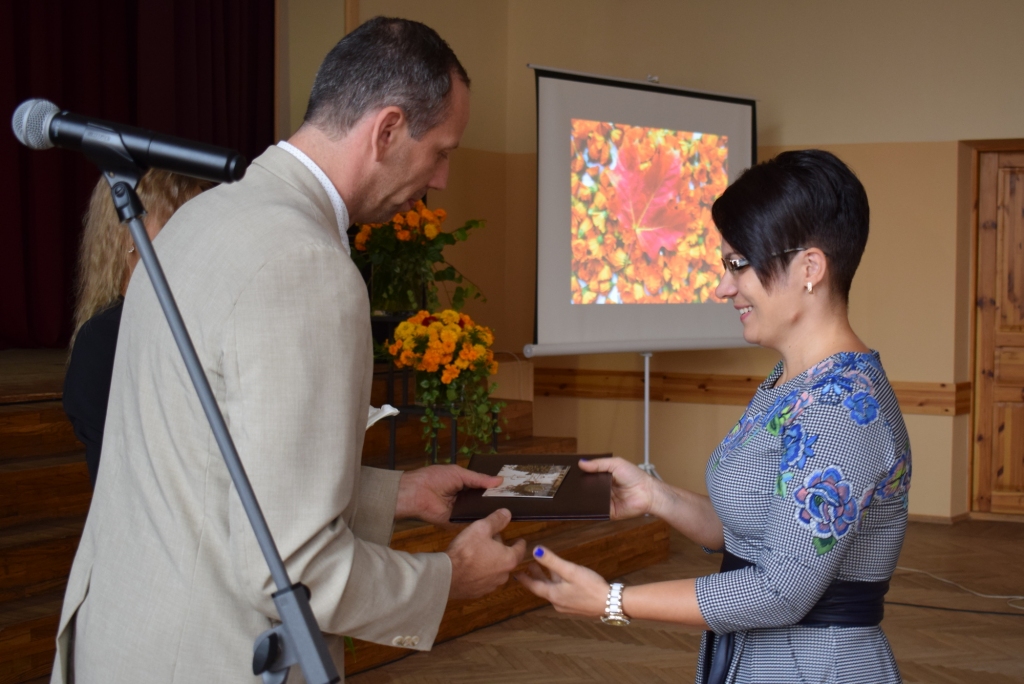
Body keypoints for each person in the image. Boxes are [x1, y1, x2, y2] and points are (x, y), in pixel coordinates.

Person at [51, 17, 526, 683]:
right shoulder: (304, 264)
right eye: (442, 151)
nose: (442, 179)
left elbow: (211, 469)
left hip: (128, 637)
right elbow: (292, 565)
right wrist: (448, 578)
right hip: (212, 655)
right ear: (387, 129)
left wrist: (397, 494)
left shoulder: (201, 219)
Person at [518, 150, 911, 684]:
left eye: (738, 264)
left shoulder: (841, 408)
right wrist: (656, 496)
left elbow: (781, 589)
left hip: (812, 667)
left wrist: (612, 600)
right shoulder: (792, 382)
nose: (724, 287)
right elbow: (756, 534)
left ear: (810, 268)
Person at [64, 170, 211, 488]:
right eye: (181, 221)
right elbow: (123, 482)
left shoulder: (204, 325)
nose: (200, 239)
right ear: (130, 235)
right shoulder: (103, 340)